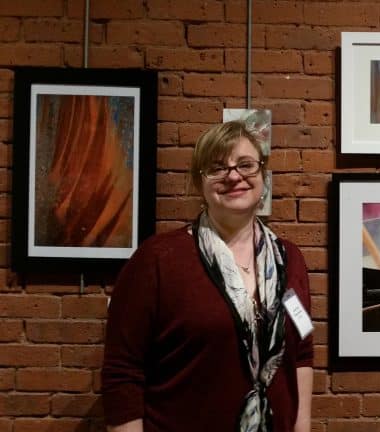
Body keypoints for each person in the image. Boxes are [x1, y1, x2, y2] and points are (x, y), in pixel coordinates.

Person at [102, 120, 313, 432]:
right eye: (217, 167)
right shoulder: (158, 260)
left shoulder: (289, 259)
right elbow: (123, 372)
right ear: (198, 182)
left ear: (263, 176)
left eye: (246, 165)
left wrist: (302, 426)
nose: (233, 175)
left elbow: (301, 354)